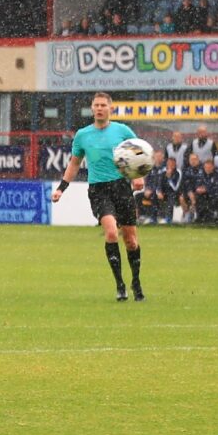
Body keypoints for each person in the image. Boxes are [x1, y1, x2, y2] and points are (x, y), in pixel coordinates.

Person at [52, 92, 146, 302]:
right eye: (96, 105)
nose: (100, 108)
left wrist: (140, 178)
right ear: (92, 108)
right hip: (98, 190)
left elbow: (141, 155)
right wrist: (61, 188)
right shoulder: (83, 135)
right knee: (112, 232)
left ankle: (136, 282)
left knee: (131, 240)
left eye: (104, 105)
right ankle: (120, 285)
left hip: (122, 187)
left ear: (110, 108)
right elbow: (74, 163)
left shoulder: (122, 130)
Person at [192, 159, 218, 224]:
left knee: (214, 198)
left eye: (209, 167)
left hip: (214, 196)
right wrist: (198, 189)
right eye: (206, 167)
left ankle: (211, 218)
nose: (207, 169)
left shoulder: (217, 175)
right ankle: (200, 218)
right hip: (202, 196)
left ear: (213, 167)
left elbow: (217, 187)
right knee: (198, 198)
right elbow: (197, 185)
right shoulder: (201, 175)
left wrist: (206, 189)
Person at [156, 157, 182, 224]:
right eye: (169, 163)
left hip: (175, 193)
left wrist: (169, 177)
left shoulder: (178, 172)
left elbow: (175, 188)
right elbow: (159, 183)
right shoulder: (162, 171)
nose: (170, 165)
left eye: (172, 164)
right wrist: (159, 192)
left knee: (171, 197)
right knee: (154, 196)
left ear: (175, 164)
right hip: (164, 192)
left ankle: (168, 218)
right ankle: (156, 217)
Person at [181, 152, 202, 223]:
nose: (193, 161)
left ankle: (195, 215)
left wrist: (195, 192)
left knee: (195, 198)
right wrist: (189, 192)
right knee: (181, 198)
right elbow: (186, 183)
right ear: (189, 160)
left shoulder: (203, 169)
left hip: (201, 192)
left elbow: (202, 182)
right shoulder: (187, 170)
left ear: (198, 160)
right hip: (189, 192)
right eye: (191, 159)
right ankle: (187, 214)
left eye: (195, 159)